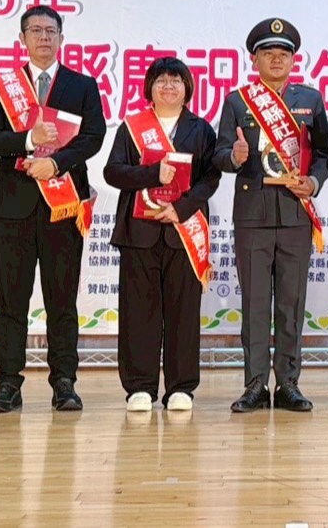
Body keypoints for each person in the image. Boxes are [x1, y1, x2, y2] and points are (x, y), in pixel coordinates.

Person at [0, 4, 105, 413]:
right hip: (14, 205)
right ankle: (8, 383)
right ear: (22, 38)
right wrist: (28, 140)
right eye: (35, 30)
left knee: (62, 299)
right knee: (11, 300)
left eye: (51, 31)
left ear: (61, 38)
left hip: (63, 204)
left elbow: (93, 137)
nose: (43, 37)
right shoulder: (5, 85)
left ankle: (64, 382)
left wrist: (57, 163)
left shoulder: (81, 85)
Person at [213, 17, 328, 413]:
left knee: (290, 302)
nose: (277, 59)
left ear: (294, 59)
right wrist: (234, 156)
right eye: (268, 53)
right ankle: (254, 384)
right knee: (254, 303)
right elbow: (219, 154)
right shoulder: (238, 101)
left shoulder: (310, 99)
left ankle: (288, 384)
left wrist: (313, 182)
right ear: (255, 59)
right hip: (253, 213)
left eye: (284, 53)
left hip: (296, 212)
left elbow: (325, 154)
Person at [103, 57, 220, 412]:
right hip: (139, 232)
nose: (168, 86)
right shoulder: (131, 127)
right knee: (139, 311)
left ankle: (181, 387)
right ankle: (139, 387)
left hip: (184, 231)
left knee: (184, 311)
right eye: (161, 80)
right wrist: (154, 173)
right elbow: (113, 172)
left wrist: (181, 208)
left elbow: (210, 179)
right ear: (149, 87)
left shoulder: (201, 129)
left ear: (187, 88)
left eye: (175, 80)